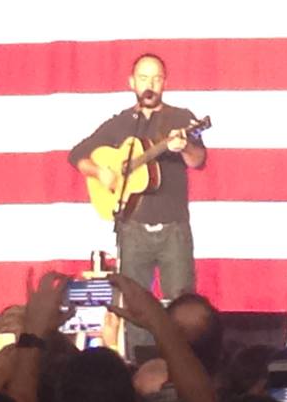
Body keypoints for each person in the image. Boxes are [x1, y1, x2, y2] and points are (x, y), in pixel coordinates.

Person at [69, 53, 207, 355]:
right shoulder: (121, 123)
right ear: (132, 82)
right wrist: (100, 171)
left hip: (173, 228)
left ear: (165, 83)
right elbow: (76, 155)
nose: (150, 84)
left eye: (156, 78)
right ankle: (139, 367)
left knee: (183, 307)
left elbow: (199, 160)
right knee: (136, 307)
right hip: (131, 229)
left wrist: (184, 148)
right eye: (144, 78)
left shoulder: (180, 118)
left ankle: (186, 371)